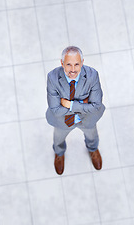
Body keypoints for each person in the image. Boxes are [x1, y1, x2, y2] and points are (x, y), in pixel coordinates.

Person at [46, 46, 105, 175]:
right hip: (63, 120)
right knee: (58, 139)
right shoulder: (53, 77)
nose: (73, 70)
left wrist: (70, 105)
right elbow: (55, 110)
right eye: (68, 64)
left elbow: (96, 105)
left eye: (77, 64)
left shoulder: (92, 75)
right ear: (62, 63)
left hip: (87, 119)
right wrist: (84, 104)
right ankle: (59, 153)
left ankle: (92, 149)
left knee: (92, 136)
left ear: (82, 62)